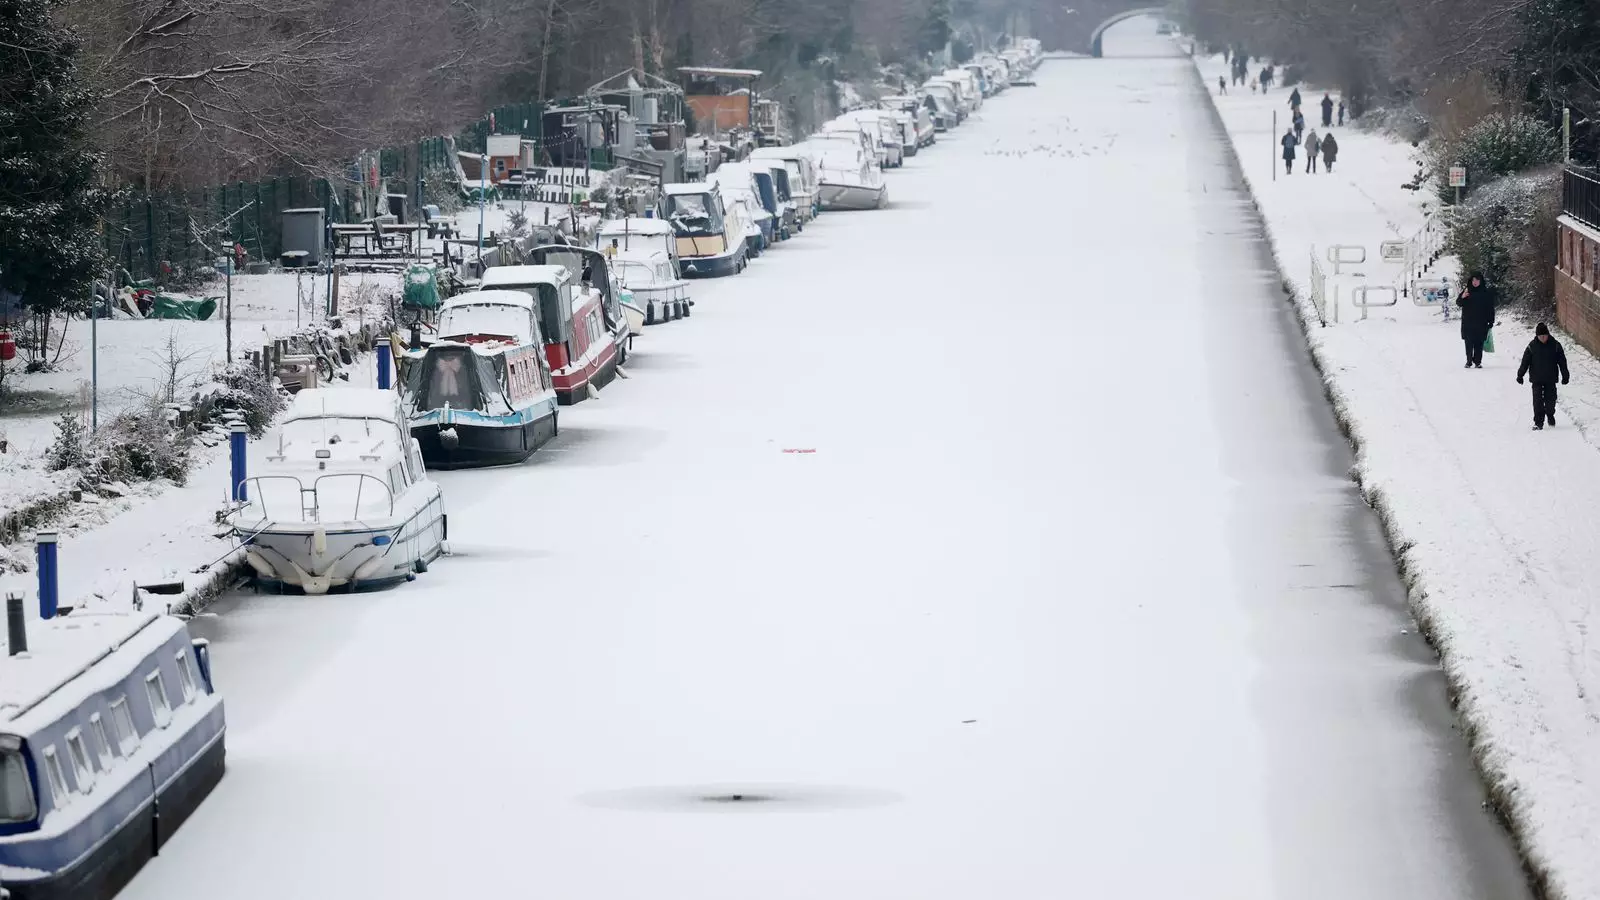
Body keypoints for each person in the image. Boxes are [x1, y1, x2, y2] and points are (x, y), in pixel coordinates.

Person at [1518, 323, 1571, 429]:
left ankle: (1550, 414)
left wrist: (1565, 375)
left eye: (1544, 335)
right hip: (1536, 378)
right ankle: (1538, 422)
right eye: (1540, 336)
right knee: (1537, 401)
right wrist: (1520, 375)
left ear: (1548, 334)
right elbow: (1525, 362)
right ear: (1537, 336)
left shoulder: (1555, 345)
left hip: (1550, 378)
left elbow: (1562, 362)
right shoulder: (1532, 346)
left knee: (1550, 400)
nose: (1543, 338)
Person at [1455, 272, 1496, 368]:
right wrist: (1463, 297)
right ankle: (1469, 361)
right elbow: (1459, 303)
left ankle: (1477, 362)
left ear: (1481, 281)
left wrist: (1491, 321)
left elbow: (1490, 308)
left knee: (1479, 342)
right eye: (1473, 280)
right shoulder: (1467, 291)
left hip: (1481, 322)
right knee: (1468, 342)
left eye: (1477, 280)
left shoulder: (1486, 293)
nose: (1475, 282)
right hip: (1468, 322)